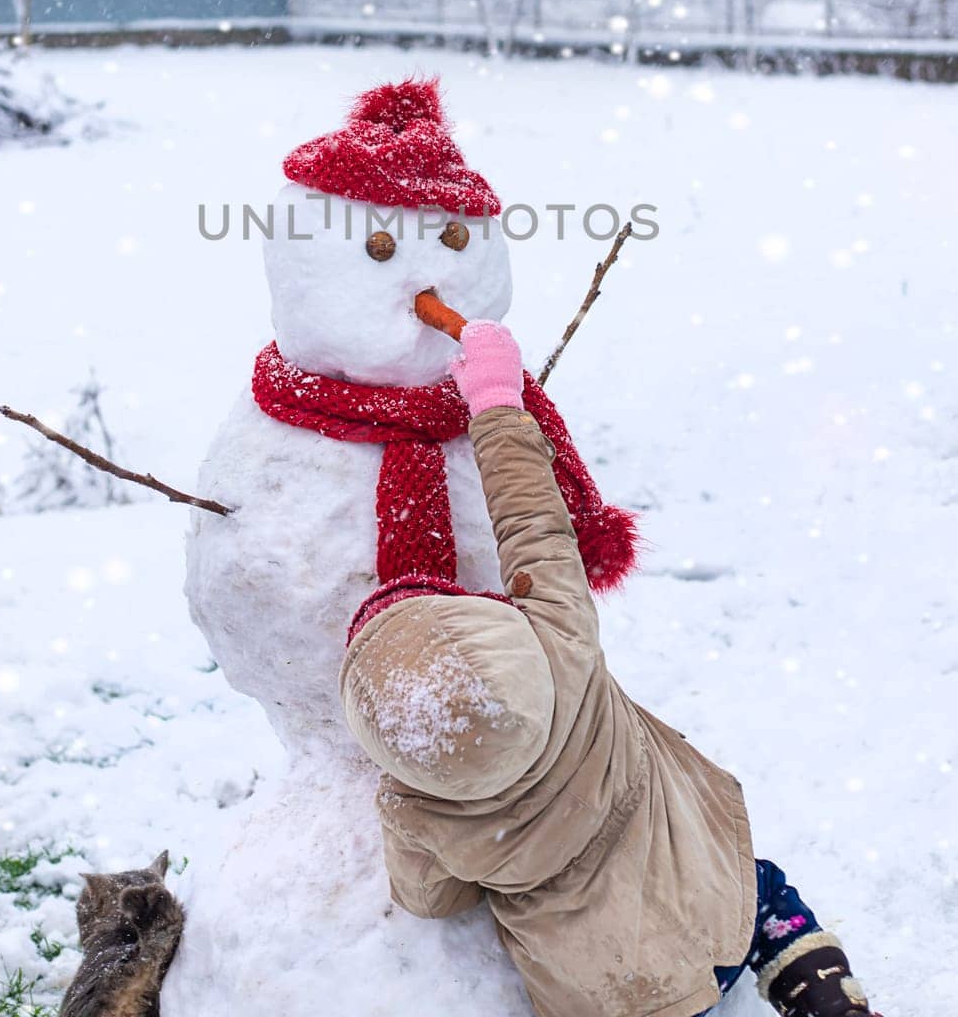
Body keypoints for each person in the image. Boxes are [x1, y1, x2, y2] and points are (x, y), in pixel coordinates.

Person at [339, 322, 882, 1017]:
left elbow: (429, 899)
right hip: (714, 916)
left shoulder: (414, 805)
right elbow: (530, 517)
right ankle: (818, 991)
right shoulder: (558, 645)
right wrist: (496, 400)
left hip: (602, 995)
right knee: (761, 888)